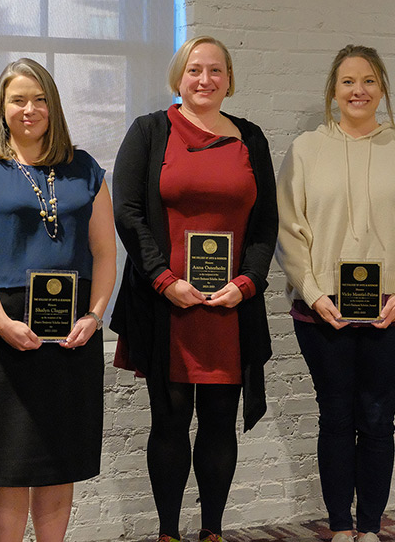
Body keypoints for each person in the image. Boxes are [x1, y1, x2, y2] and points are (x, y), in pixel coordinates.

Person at [111, 36, 278, 542]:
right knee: (169, 420)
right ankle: (167, 533)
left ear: (229, 79)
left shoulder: (251, 138)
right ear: (178, 77)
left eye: (215, 71)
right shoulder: (150, 132)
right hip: (168, 306)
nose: (204, 80)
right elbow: (127, 212)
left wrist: (247, 283)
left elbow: (266, 222)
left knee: (220, 423)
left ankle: (212, 531)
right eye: (194, 70)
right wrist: (163, 280)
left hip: (228, 309)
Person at [276, 45, 395, 542]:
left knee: (377, 417)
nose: (359, 90)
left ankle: (370, 527)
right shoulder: (306, 150)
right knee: (335, 416)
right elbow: (291, 231)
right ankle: (340, 526)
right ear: (333, 89)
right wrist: (312, 293)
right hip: (321, 312)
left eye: (369, 81)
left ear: (383, 90)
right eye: (348, 81)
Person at [0, 57, 116, 542]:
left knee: (58, 457)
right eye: (19, 99)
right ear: (2, 107)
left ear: (53, 106)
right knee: (11, 463)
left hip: (71, 328)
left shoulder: (85, 169)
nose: (30, 108)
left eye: (40, 99)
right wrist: (1, 322)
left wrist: (95, 314)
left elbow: (105, 251)